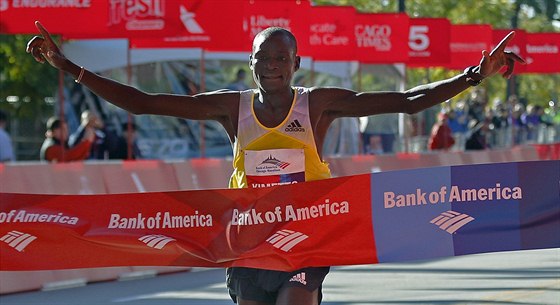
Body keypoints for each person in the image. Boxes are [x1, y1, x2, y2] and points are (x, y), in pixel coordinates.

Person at [27, 21, 524, 305]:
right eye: (264, 58)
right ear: (252, 63)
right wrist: (67, 65)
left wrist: (473, 75)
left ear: (296, 64)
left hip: (308, 231)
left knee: (297, 302)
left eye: (282, 59)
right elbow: (143, 103)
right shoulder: (231, 106)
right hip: (249, 234)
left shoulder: (319, 104)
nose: (272, 67)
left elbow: (408, 101)